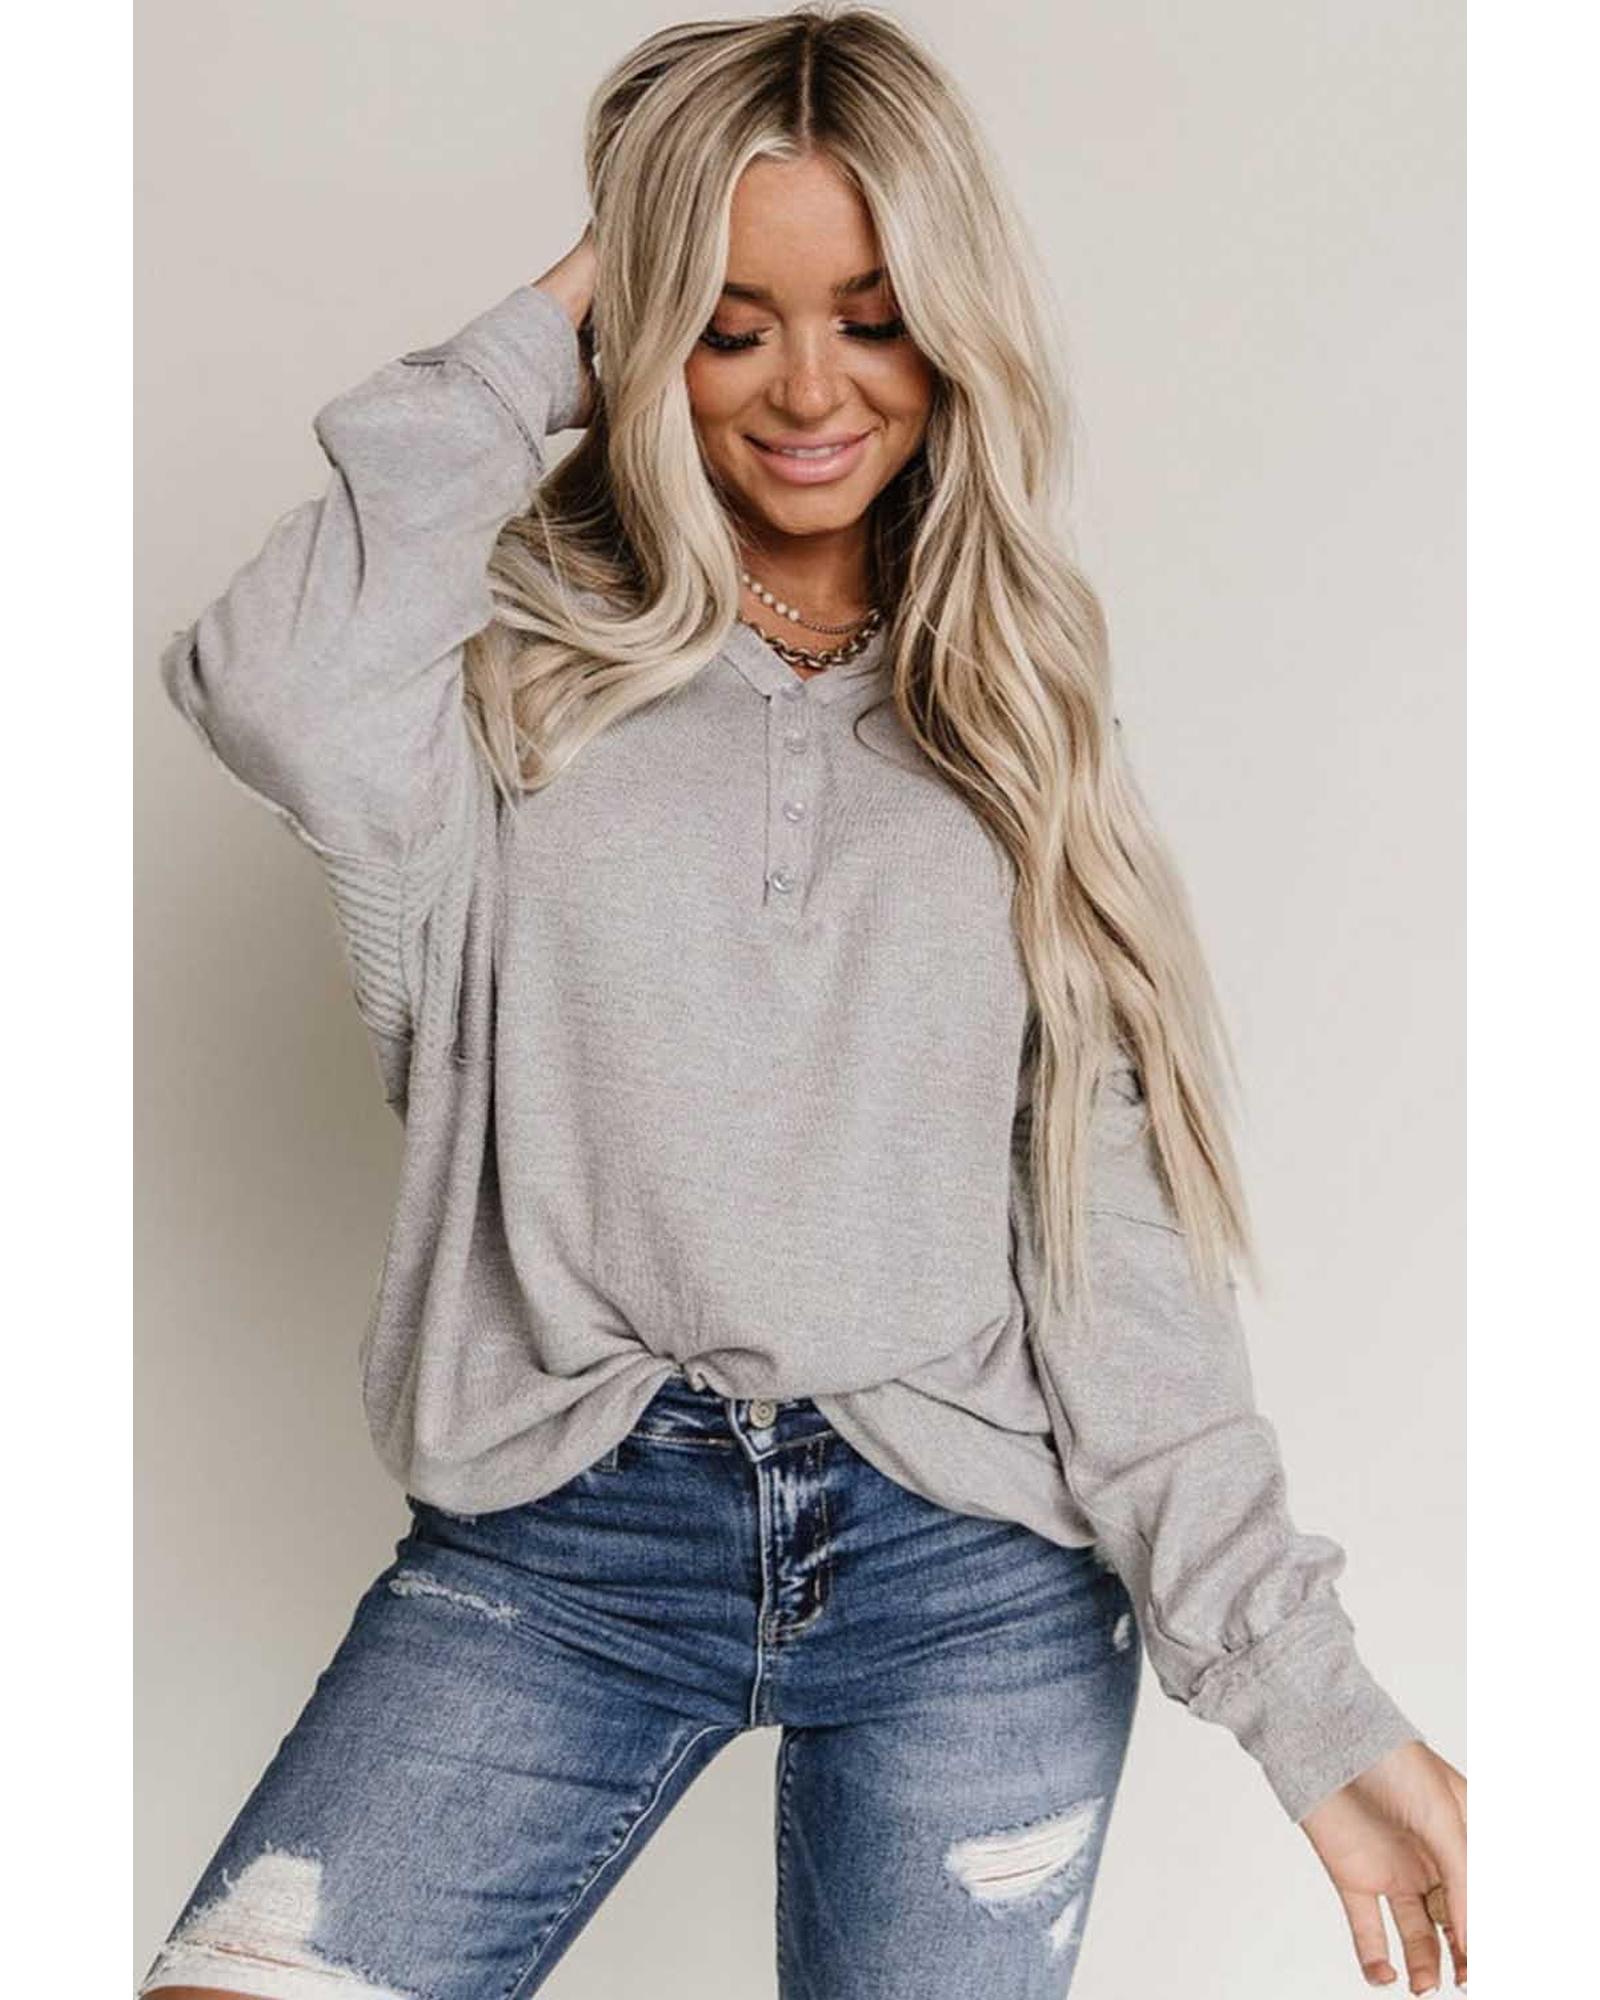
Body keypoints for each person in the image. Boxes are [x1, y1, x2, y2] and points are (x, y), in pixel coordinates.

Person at [139, 8, 1466, 1998]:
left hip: (971, 1571)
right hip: (561, 1538)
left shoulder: (1018, 715)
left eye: (872, 315)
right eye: (727, 321)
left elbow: (1110, 1252)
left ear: (953, 326)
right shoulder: (492, 666)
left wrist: (1309, 1704)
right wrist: (576, 294)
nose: (809, 389)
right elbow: (267, 678)